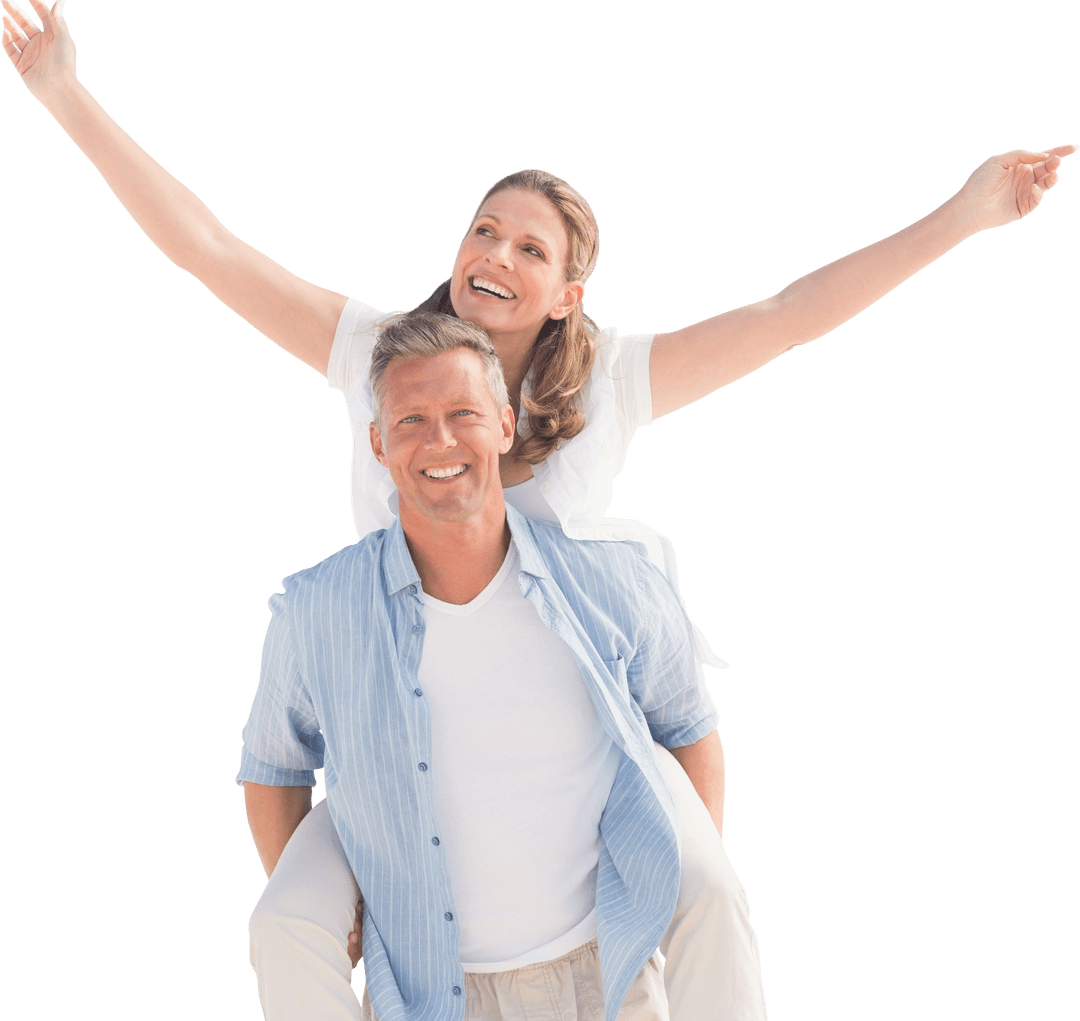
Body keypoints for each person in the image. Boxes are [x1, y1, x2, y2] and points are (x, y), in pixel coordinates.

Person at [3, 2, 1074, 1019]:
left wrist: (969, 211)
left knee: (707, 883)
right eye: (483, 232)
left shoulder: (610, 380)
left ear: (568, 293)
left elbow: (790, 315)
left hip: (568, 710)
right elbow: (208, 249)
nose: (495, 256)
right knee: (288, 921)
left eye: (530, 248)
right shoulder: (379, 356)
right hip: (402, 703)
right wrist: (65, 93)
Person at [237, 313, 721, 1021]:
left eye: (463, 413)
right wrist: (336, 912)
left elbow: (687, 728)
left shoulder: (611, 581)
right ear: (377, 442)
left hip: (606, 981)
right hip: (428, 997)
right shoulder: (319, 610)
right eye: (410, 420)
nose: (440, 440)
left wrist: (670, 888)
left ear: (502, 424)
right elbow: (274, 766)